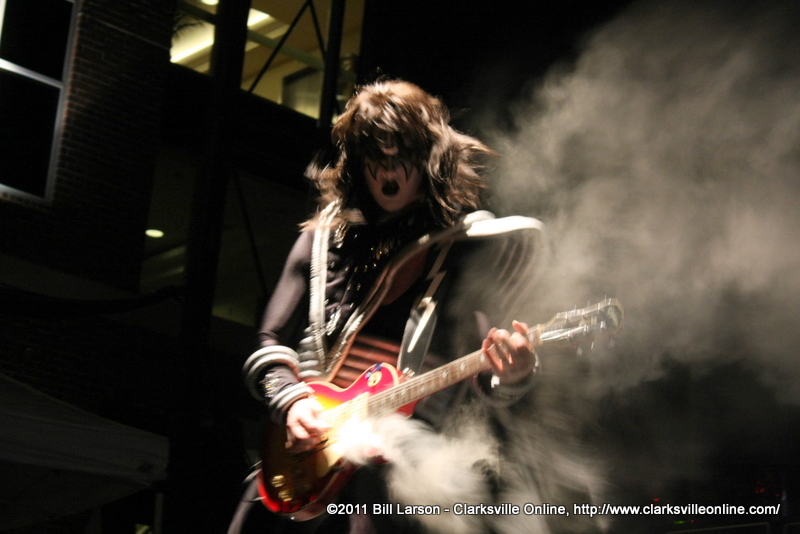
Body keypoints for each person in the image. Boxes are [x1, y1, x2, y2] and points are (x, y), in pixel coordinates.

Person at [230, 79, 546, 534]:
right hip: (307, 462)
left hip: (400, 477)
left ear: (430, 160)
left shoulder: (461, 250)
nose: (388, 171)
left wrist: (512, 373)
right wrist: (292, 401)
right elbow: (268, 340)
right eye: (375, 157)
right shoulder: (323, 239)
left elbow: (485, 368)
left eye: (402, 156)